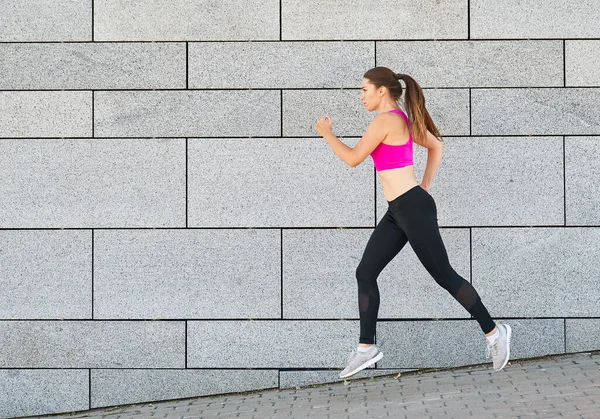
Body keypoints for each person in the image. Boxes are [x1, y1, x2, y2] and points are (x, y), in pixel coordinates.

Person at [314, 66, 512, 379]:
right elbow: (437, 145)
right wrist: (425, 187)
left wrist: (327, 133)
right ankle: (366, 348)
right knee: (365, 272)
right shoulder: (401, 121)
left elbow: (353, 159)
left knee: (444, 275)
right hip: (400, 210)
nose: (361, 95)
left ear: (381, 91)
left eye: (364, 89)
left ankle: (495, 333)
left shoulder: (385, 120)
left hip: (412, 209)